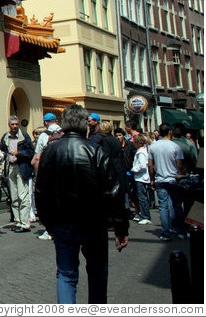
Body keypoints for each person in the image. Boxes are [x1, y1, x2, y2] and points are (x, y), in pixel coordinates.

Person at [35, 103, 129, 304]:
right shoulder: (95, 151)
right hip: (93, 222)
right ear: (84, 125)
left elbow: (41, 191)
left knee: (66, 274)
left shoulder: (51, 152)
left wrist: (47, 222)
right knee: (97, 272)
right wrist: (121, 227)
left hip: (62, 221)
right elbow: (113, 191)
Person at [148, 123, 186, 241]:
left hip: (160, 179)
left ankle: (165, 233)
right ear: (170, 131)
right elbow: (180, 165)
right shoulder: (175, 146)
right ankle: (180, 230)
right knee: (177, 206)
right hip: (173, 178)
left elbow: (150, 165)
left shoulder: (153, 147)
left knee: (163, 207)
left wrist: (152, 179)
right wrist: (182, 176)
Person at [0, 115, 34, 233]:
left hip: (21, 167)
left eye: (16, 124)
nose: (14, 126)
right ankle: (18, 221)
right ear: (9, 125)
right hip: (10, 167)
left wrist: (19, 153)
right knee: (13, 196)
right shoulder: (5, 137)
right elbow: (2, 151)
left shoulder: (24, 136)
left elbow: (30, 152)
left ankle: (25, 223)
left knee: (22, 195)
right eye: (12, 124)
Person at [34, 113, 61, 241]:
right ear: (57, 121)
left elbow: (38, 158)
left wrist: (38, 175)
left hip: (49, 174)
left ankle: (50, 231)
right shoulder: (65, 133)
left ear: (45, 123)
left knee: (49, 202)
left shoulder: (44, 136)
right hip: (65, 173)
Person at [130, 133, 152, 225]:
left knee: (142, 197)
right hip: (141, 177)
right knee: (142, 196)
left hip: (141, 177)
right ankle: (144, 215)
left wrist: (134, 169)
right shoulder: (142, 151)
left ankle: (145, 216)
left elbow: (142, 165)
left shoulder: (141, 152)